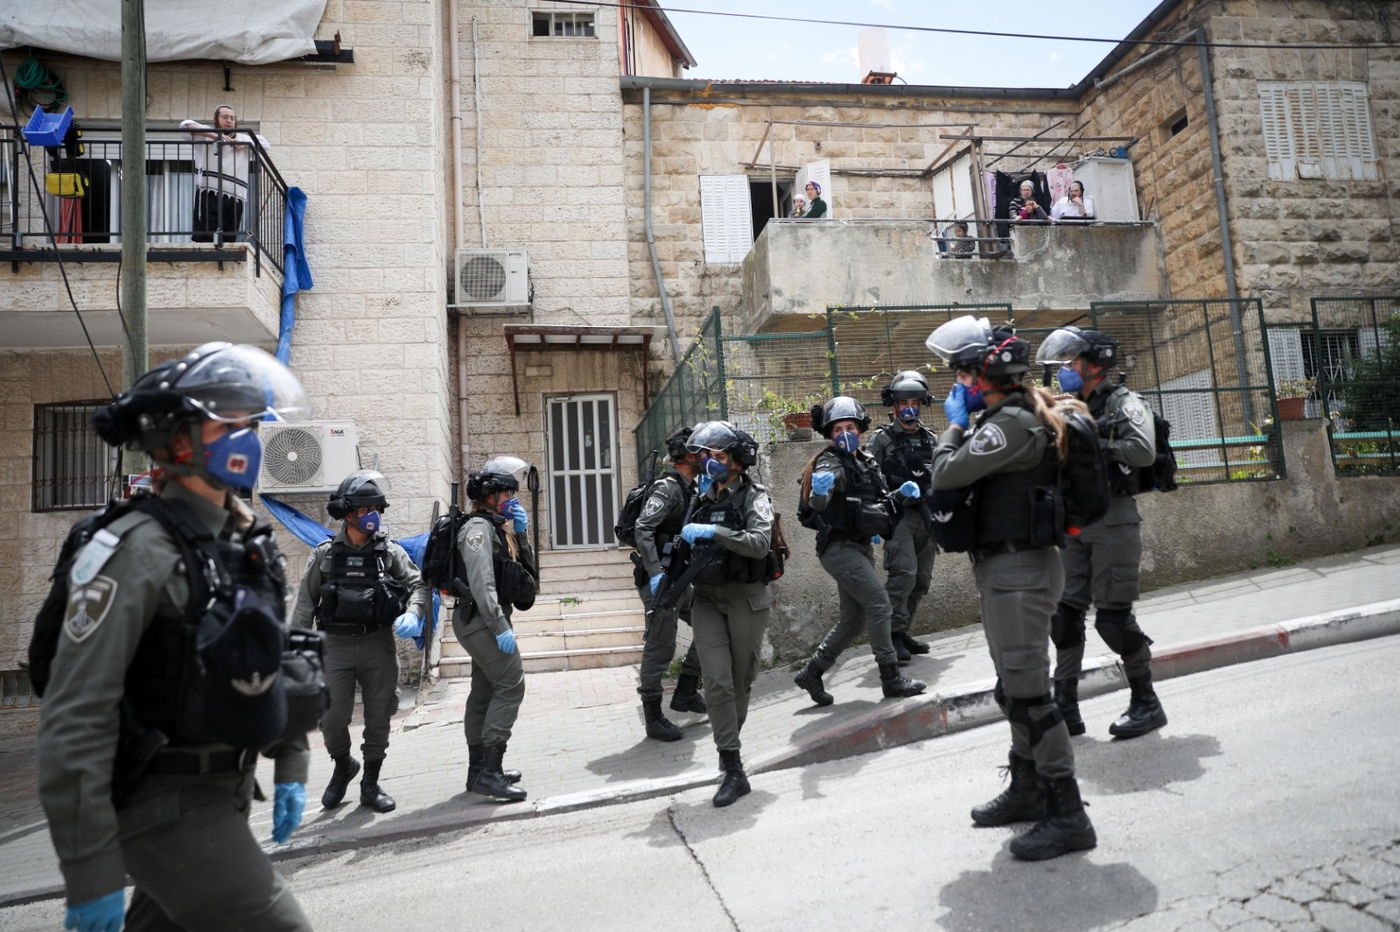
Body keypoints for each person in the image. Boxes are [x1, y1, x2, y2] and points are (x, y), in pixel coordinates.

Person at [38, 342, 315, 929]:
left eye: (249, 421)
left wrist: (290, 758)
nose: (247, 435)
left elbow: (271, 661)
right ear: (178, 439)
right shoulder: (135, 548)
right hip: (163, 803)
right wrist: (90, 871)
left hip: (225, 791)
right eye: (228, 422)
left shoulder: (244, 541)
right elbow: (75, 715)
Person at [926, 316, 1096, 861]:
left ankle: (1068, 813)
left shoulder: (1012, 424)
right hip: (1007, 569)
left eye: (960, 372)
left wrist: (951, 428)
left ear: (985, 373)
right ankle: (1027, 788)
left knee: (1029, 695)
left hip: (1019, 571)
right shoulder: (1006, 417)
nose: (955, 382)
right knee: (1013, 688)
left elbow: (947, 475)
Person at [1036, 326, 1164, 739]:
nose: (1063, 372)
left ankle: (1146, 702)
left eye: (1070, 364)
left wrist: (1095, 443)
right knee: (1065, 616)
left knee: (1113, 619)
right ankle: (1066, 705)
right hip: (1075, 522)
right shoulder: (1066, 406)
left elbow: (1143, 451)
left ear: (1094, 365)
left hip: (1113, 520)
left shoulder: (1123, 402)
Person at [291, 469, 431, 813]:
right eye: (368, 510)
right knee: (331, 717)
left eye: (377, 511)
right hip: (334, 646)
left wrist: (414, 614)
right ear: (350, 513)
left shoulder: (389, 552)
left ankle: (370, 782)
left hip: (377, 645)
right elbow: (305, 604)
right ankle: (343, 765)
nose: (374, 517)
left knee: (379, 715)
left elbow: (419, 586)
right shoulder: (325, 553)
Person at [792, 397, 927, 705]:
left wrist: (901, 493)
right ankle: (891, 678)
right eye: (838, 429)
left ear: (860, 428)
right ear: (830, 434)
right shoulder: (830, 462)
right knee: (880, 603)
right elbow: (819, 503)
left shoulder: (865, 460)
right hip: (839, 549)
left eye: (850, 427)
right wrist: (820, 491)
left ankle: (812, 673)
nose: (844, 433)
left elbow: (878, 500)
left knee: (853, 620)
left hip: (860, 547)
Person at [678, 421, 773, 806]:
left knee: (739, 681)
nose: (710, 463)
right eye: (705, 456)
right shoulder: (701, 498)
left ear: (736, 460)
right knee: (715, 681)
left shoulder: (755, 495)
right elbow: (685, 541)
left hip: (745, 598)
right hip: (707, 599)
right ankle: (732, 765)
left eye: (717, 455)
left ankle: (730, 746)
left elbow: (760, 543)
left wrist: (713, 533)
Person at [454, 455, 537, 802]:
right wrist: (500, 626)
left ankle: (479, 772)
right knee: (511, 684)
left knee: (485, 691)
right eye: (505, 495)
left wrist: (522, 532)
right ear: (488, 496)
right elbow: (482, 584)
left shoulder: (498, 528)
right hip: (482, 620)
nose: (510, 501)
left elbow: (527, 576)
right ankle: (489, 770)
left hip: (487, 618)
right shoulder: (477, 530)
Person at [632, 427, 708, 742]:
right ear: (689, 454)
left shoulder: (690, 488)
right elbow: (643, 527)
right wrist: (654, 572)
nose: (708, 456)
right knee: (660, 646)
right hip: (661, 581)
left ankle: (687, 690)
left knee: (711, 623)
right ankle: (653, 717)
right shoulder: (668, 488)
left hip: (680, 577)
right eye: (702, 451)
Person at [868, 371, 938, 663]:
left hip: (926, 516)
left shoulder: (930, 438)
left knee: (921, 579)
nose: (909, 407)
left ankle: (903, 630)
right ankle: (891, 637)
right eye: (903, 402)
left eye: (914, 401)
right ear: (893, 406)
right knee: (903, 576)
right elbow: (868, 476)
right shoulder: (881, 440)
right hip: (899, 518)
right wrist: (873, 514)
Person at [179, 105, 269, 242]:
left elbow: (265, 144)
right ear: (216, 119)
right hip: (209, 192)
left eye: (232, 118)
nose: (229, 121)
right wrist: (215, 136)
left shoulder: (243, 138)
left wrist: (244, 144)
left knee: (229, 238)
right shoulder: (205, 135)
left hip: (235, 195)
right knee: (205, 237)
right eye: (225, 117)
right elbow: (185, 125)